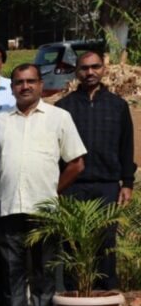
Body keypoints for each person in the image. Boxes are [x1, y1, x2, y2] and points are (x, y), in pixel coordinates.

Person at [0, 64, 86, 306]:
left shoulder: (59, 118)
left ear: (40, 84)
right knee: (12, 274)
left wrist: (52, 191)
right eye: (19, 82)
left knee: (44, 276)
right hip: (8, 208)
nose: (25, 87)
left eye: (30, 81)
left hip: (44, 212)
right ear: (12, 88)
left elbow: (76, 162)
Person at [56, 51, 137, 291]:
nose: (90, 72)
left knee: (106, 242)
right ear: (76, 72)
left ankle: (106, 292)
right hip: (73, 185)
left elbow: (126, 145)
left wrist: (128, 183)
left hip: (107, 184)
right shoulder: (63, 107)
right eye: (84, 68)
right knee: (73, 241)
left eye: (95, 67)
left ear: (103, 69)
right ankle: (73, 292)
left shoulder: (118, 106)